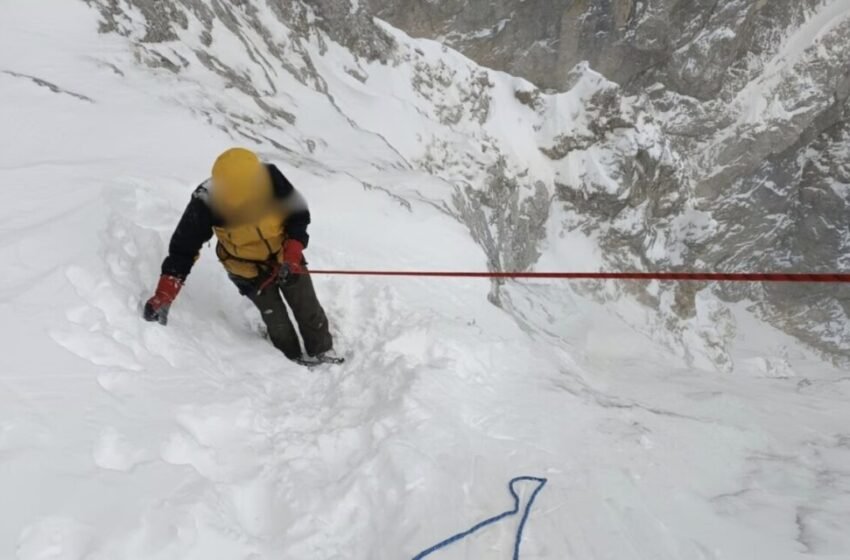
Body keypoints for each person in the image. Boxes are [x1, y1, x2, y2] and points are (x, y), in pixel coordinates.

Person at [142, 148, 342, 365]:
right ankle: (289, 360)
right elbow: (184, 248)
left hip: (284, 256)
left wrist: (292, 252)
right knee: (277, 320)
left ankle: (322, 349)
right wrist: (165, 292)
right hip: (246, 270)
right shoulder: (206, 201)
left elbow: (298, 214)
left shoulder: (271, 179)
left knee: (306, 305)